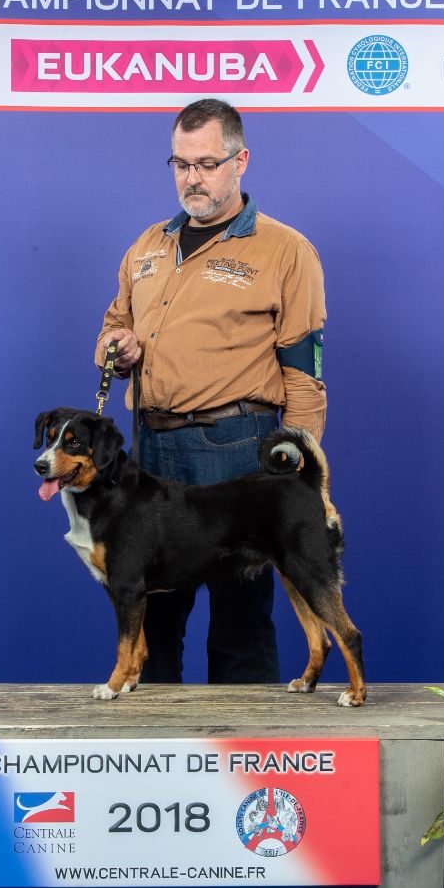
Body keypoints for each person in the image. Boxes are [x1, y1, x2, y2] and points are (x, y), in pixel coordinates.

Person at [95, 97, 326, 685]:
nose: (192, 178)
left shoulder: (285, 250)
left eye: (207, 163)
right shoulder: (147, 245)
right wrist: (117, 348)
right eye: (180, 164)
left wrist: (304, 478)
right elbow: (109, 329)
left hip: (237, 448)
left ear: (241, 160)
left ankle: (246, 756)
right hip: (151, 452)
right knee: (151, 612)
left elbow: (302, 371)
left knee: (240, 618)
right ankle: (153, 753)